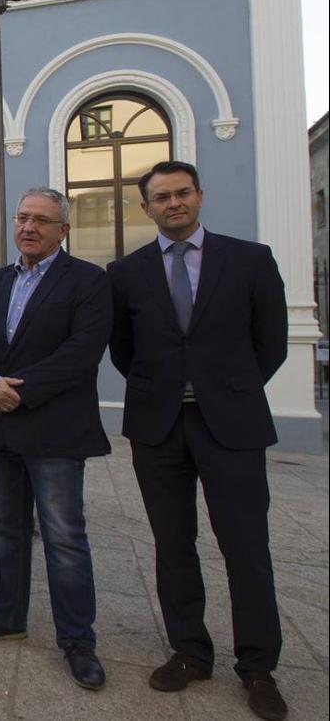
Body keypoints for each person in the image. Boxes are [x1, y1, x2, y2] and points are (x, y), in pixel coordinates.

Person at [108, 161, 289, 721]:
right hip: (159, 427)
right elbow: (124, 350)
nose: (174, 203)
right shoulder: (126, 272)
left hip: (230, 424)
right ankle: (189, 651)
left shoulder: (250, 260)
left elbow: (271, 343)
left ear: (199, 196)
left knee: (246, 547)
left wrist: (224, 389)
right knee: (173, 543)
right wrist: (167, 390)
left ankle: (258, 667)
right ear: (146, 208)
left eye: (182, 193)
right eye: (161, 197)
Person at [0, 187, 112, 691]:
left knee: (64, 537)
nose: (28, 227)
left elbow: (82, 351)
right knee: (5, 529)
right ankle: (6, 616)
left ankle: (77, 641)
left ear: (62, 230)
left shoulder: (87, 281)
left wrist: (18, 392)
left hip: (55, 430)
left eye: (41, 220)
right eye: (22, 217)